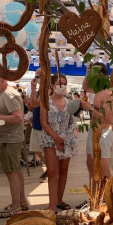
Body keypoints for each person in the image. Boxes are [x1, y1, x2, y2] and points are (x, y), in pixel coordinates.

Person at [0, 73, 28, 217]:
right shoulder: (7, 93)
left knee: (11, 172)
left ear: (2, 79)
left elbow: (18, 117)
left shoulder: (9, 95)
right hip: (11, 137)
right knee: (15, 171)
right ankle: (21, 202)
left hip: (10, 138)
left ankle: (15, 206)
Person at [77, 63, 113, 209]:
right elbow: (85, 86)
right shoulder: (96, 91)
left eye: (93, 74)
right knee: (90, 164)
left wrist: (90, 109)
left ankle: (110, 198)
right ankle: (94, 198)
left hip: (104, 132)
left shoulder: (108, 94)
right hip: (94, 131)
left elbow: (108, 120)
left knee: (103, 166)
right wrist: (88, 72)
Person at [40, 73, 77, 211]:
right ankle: (52, 204)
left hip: (67, 140)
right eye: (60, 84)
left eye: (65, 84)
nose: (63, 86)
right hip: (50, 140)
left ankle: (59, 200)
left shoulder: (70, 101)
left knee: (64, 170)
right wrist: (56, 138)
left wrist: (63, 137)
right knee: (52, 171)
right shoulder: (45, 102)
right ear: (52, 85)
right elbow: (44, 123)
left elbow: (73, 123)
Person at [29, 69, 47, 181]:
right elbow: (33, 104)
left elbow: (34, 103)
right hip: (37, 123)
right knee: (36, 149)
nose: (36, 79)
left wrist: (33, 88)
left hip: (43, 125)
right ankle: (50, 167)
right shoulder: (41, 89)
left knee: (43, 150)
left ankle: (51, 168)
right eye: (36, 76)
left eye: (38, 76)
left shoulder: (46, 89)